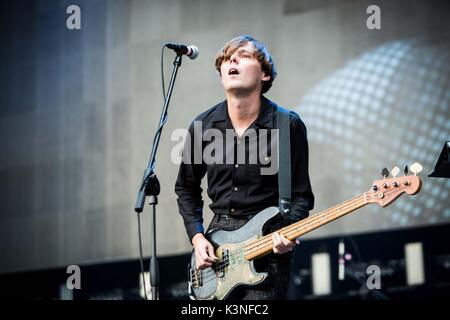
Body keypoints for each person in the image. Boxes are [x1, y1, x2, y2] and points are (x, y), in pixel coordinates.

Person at [175, 35, 314, 299]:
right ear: (221, 75)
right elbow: (186, 188)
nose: (233, 60)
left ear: (265, 74)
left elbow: (301, 196)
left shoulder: (287, 125)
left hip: (266, 251)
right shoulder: (202, 126)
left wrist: (288, 232)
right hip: (215, 250)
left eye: (244, 56)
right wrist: (197, 237)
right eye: (227, 59)